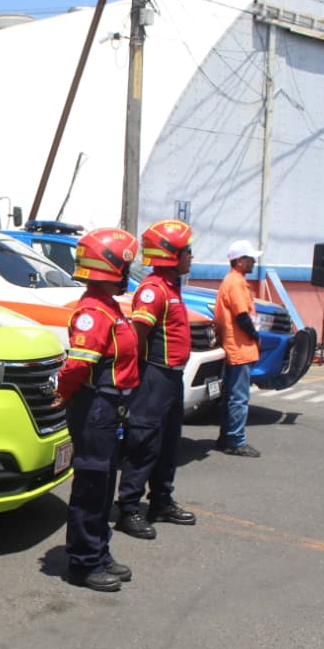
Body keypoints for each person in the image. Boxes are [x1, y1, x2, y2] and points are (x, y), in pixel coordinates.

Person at [56, 228, 141, 591]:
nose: (128, 275)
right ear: (109, 268)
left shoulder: (108, 307)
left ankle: (99, 552)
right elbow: (78, 364)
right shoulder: (93, 311)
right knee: (91, 486)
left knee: (104, 486)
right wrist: (64, 391)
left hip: (110, 406)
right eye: (124, 267)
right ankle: (83, 563)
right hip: (95, 407)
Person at [115, 220, 198, 539]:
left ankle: (161, 501)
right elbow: (137, 336)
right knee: (144, 442)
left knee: (168, 441)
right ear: (170, 254)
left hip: (172, 378)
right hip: (154, 377)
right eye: (186, 251)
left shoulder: (171, 286)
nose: (191, 256)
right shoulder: (153, 290)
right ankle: (129, 509)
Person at [215, 239, 262, 458]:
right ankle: (235, 439)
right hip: (239, 347)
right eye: (250, 258)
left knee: (232, 395)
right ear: (240, 261)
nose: (253, 262)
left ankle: (227, 437)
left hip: (238, 346)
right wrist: (255, 334)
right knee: (238, 397)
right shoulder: (234, 283)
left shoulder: (235, 281)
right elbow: (242, 316)